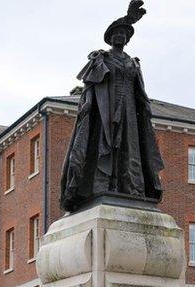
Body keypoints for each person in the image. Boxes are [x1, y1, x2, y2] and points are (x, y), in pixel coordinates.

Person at [60, 0, 164, 212]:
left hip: (130, 112)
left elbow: (140, 91)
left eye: (124, 34)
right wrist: (87, 104)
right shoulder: (102, 58)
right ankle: (105, 185)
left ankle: (131, 188)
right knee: (105, 146)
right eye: (117, 33)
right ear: (111, 37)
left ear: (126, 39)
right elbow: (90, 86)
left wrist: (145, 109)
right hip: (105, 110)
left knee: (130, 148)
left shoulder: (132, 62)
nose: (120, 36)